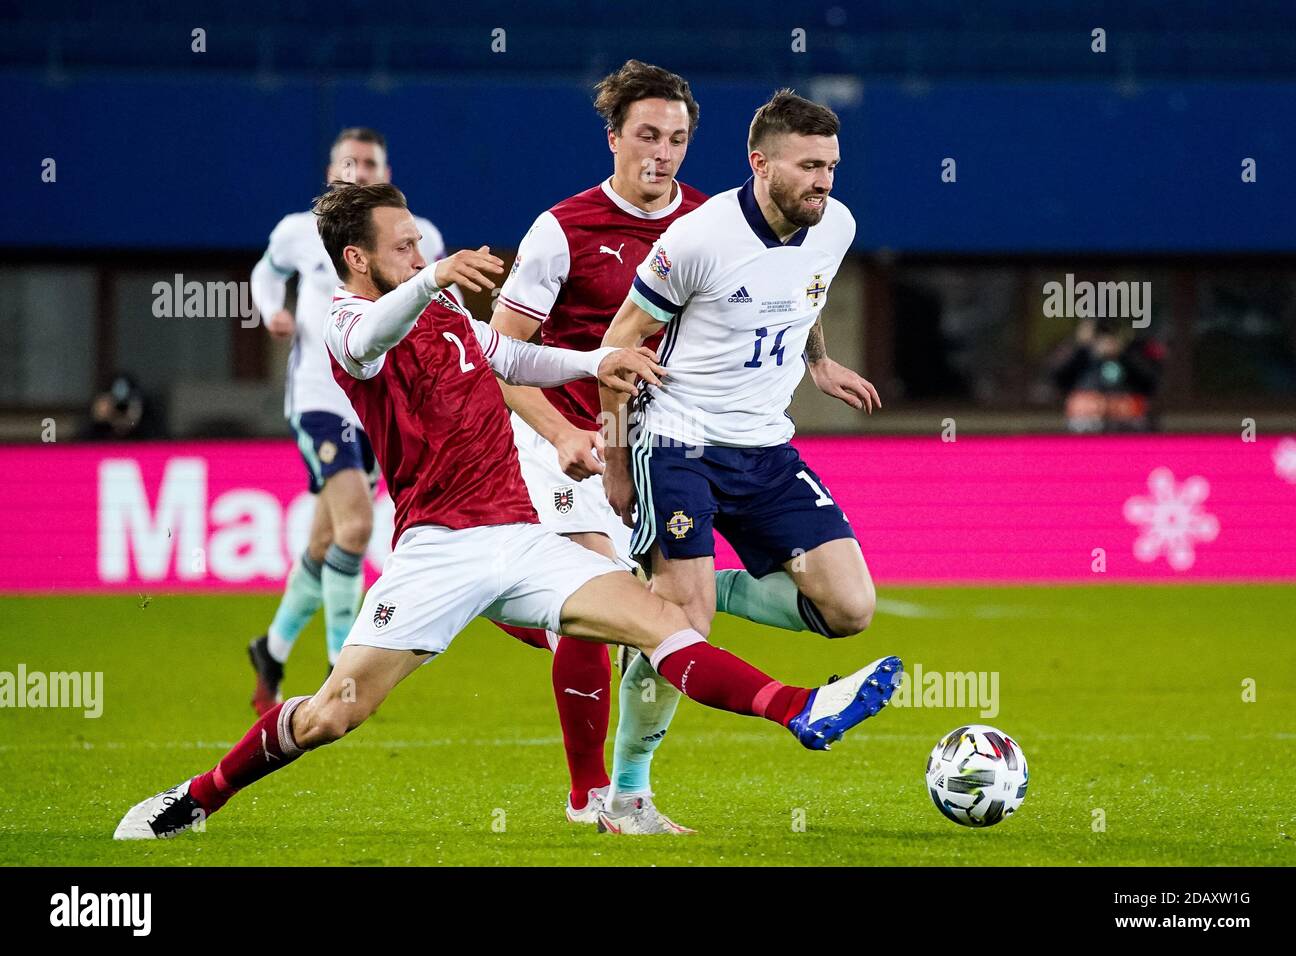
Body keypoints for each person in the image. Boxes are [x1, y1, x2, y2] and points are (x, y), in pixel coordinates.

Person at [113, 181, 902, 840]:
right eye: (403, 249)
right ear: (356, 260)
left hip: (524, 536)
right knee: (330, 716)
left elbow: (513, 358)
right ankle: (198, 797)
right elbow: (376, 332)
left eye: (421, 246)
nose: (419, 258)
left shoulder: (447, 313)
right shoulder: (347, 322)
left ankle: (800, 709)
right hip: (437, 553)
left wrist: (599, 359)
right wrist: (433, 279)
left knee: (666, 625)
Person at [595, 92, 893, 835]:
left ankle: (701, 590)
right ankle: (628, 797)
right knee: (679, 627)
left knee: (850, 610)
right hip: (678, 442)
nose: (823, 181)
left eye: (831, 165)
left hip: (765, 446)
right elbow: (617, 345)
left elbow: (805, 289)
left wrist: (819, 362)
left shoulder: (837, 224)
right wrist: (612, 455)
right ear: (760, 163)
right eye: (808, 166)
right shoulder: (698, 240)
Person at [490, 59, 708, 832]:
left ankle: (493, 591)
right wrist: (562, 433)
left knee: (646, 612)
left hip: (658, 449)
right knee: (598, 585)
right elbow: (500, 358)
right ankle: (594, 797)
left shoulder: (710, 223)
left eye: (677, 138)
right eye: (647, 134)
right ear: (613, 137)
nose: (662, 152)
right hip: (568, 437)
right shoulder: (563, 230)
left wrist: (814, 359)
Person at [246, 128, 448, 712]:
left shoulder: (418, 236)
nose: (359, 171)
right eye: (349, 163)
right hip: (319, 399)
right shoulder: (298, 231)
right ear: (332, 170)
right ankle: (343, 667)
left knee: (325, 539)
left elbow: (423, 308)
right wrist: (272, 310)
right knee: (357, 530)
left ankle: (272, 648)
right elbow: (265, 273)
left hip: (376, 404)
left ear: (386, 170)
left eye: (370, 163)